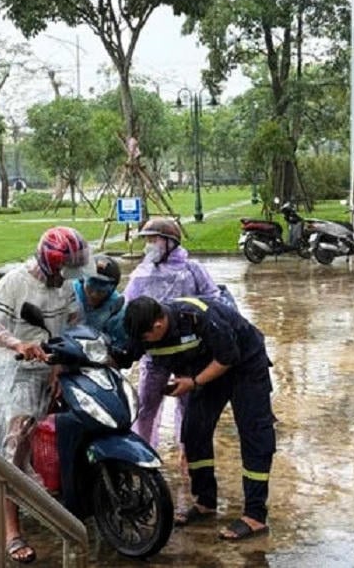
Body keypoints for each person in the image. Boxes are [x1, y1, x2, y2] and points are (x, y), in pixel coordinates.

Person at [122, 295, 276, 541]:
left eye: (144, 338)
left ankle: (255, 515)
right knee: (194, 431)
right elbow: (124, 355)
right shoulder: (144, 329)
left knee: (254, 434)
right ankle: (205, 501)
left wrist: (193, 382)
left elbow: (228, 357)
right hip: (210, 369)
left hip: (245, 364)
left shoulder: (200, 317)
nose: (142, 343)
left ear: (158, 325)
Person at [0, 226, 91, 563]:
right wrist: (20, 344)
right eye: (64, 268)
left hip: (53, 364)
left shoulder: (68, 286)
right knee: (18, 440)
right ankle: (11, 530)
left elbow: (72, 326)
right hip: (17, 368)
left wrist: (60, 365)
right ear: (48, 262)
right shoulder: (15, 282)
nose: (69, 275)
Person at [123, 218, 236, 454]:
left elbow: (212, 301)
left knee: (188, 405)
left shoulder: (191, 270)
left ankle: (189, 452)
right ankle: (144, 452)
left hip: (189, 354)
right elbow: (129, 310)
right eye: (147, 240)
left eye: (153, 240)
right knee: (146, 405)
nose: (149, 245)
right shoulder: (141, 273)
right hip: (155, 355)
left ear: (170, 242)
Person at [73, 254, 128, 351]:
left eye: (101, 291)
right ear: (82, 280)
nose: (94, 295)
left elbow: (120, 343)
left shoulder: (116, 308)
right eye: (90, 287)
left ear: (111, 290)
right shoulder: (70, 293)